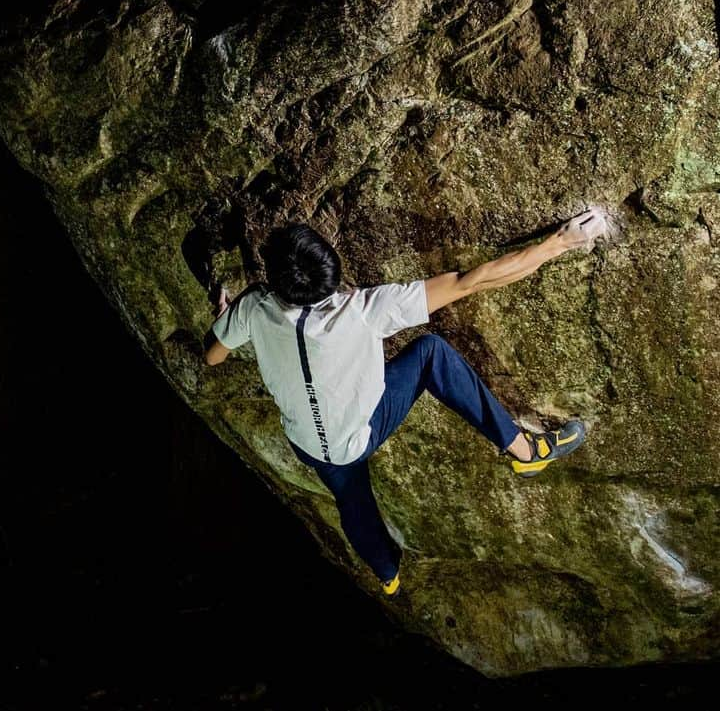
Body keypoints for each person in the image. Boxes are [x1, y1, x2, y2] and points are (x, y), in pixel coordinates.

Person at [202, 209, 606, 597]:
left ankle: (388, 574)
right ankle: (525, 451)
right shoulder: (360, 310)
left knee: (350, 495)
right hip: (357, 436)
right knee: (431, 352)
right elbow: (471, 282)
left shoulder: (254, 306)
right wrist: (559, 243)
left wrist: (231, 315)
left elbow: (213, 355)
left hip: (306, 443)